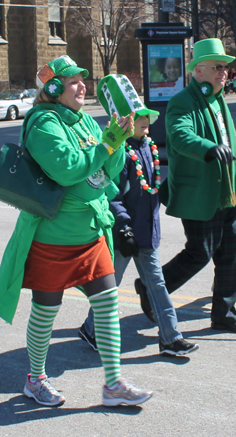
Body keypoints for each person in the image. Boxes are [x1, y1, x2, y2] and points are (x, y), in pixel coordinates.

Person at [0, 56, 152, 407]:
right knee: (46, 313)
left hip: (91, 231)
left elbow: (108, 171)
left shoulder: (85, 121)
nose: (82, 86)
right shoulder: (42, 122)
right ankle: (35, 380)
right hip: (54, 235)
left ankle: (113, 383)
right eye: (73, 81)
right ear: (53, 88)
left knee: (107, 304)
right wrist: (107, 144)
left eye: (82, 79)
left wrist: (116, 142)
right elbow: (67, 169)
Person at [135, 38, 236, 335]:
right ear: (198, 70)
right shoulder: (182, 101)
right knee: (199, 253)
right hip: (199, 193)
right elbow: (179, 135)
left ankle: (224, 313)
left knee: (232, 252)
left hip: (226, 193)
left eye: (225, 67)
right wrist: (208, 148)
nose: (223, 72)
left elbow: (231, 142)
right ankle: (150, 287)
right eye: (217, 67)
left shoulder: (217, 100)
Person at [78, 74, 198, 356]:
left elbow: (152, 189)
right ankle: (90, 328)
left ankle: (170, 338)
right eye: (137, 116)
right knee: (111, 287)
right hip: (125, 234)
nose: (145, 120)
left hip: (146, 233)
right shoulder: (120, 153)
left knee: (157, 284)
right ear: (123, 122)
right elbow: (113, 194)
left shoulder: (149, 147)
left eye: (145, 115)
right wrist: (124, 226)